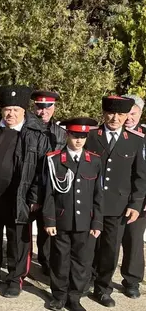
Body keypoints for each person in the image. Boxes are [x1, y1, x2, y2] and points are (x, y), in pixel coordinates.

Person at [0, 85, 50, 297]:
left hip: (19, 198)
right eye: (7, 109)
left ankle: (15, 279)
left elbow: (41, 170)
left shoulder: (36, 133)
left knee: (18, 241)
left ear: (24, 111)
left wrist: (34, 197)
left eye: (15, 109)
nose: (10, 114)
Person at [85, 95, 146, 307]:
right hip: (89, 203)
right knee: (87, 247)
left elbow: (140, 176)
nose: (115, 118)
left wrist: (136, 204)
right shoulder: (91, 136)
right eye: (111, 113)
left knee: (110, 251)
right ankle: (83, 283)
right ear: (104, 113)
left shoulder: (136, 140)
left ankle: (103, 289)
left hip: (118, 206)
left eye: (121, 114)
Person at [43, 118, 103, 311]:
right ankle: (59, 296)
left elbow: (98, 194)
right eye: (75, 136)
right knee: (60, 259)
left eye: (83, 137)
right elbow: (48, 193)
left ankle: (75, 297)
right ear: (67, 135)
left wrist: (97, 223)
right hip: (62, 219)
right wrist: (49, 220)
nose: (78, 140)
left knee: (81, 262)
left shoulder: (94, 160)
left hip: (85, 221)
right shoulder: (53, 159)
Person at [31, 90, 65, 275]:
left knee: (50, 231)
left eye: (47, 107)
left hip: (53, 190)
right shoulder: (26, 130)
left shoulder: (61, 133)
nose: (43, 111)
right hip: (30, 189)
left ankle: (47, 263)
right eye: (39, 107)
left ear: (54, 108)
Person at [120, 93, 146, 299]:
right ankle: (95, 275)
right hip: (111, 197)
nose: (129, 117)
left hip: (139, 200)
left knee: (134, 241)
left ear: (140, 113)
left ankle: (132, 281)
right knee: (103, 241)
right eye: (126, 113)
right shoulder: (110, 133)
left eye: (134, 113)